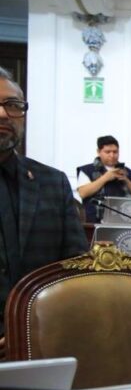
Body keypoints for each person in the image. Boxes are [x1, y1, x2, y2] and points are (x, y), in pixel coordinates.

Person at [0, 66, 88, 339]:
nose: (4, 114)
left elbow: (75, 269)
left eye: (12, 105)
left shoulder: (52, 183)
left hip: (41, 340)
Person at [75, 135, 131, 222]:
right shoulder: (87, 170)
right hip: (94, 221)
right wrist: (105, 178)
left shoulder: (127, 171)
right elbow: (83, 193)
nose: (112, 155)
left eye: (115, 152)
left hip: (122, 221)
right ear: (98, 152)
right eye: (108, 152)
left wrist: (126, 180)